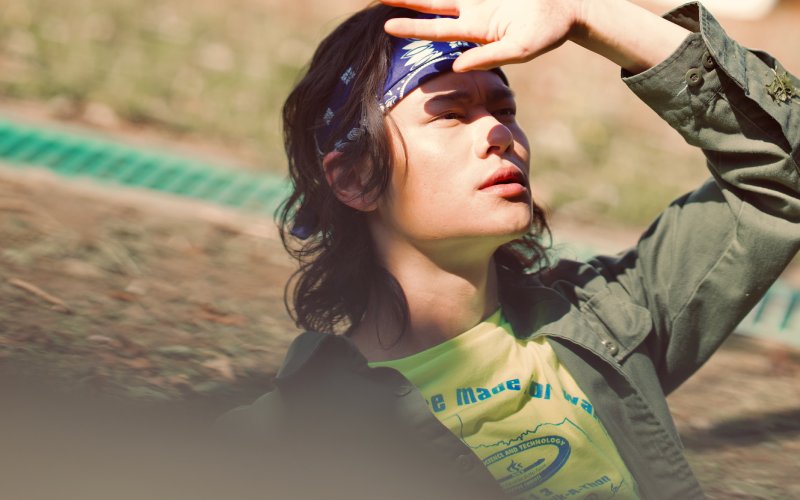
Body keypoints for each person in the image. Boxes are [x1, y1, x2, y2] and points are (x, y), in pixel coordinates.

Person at [222, 0, 800, 498]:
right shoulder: (289, 440)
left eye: (504, 110)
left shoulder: (608, 322)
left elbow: (782, 172)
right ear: (356, 178)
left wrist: (586, 14)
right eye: (451, 114)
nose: (499, 134)